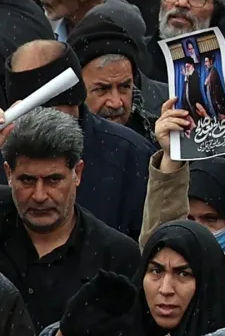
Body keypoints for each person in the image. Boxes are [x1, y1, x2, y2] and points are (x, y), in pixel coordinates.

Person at [0, 108, 142, 329]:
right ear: (9, 174)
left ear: (78, 173)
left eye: (53, 180)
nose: (39, 195)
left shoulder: (116, 256)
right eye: (27, 181)